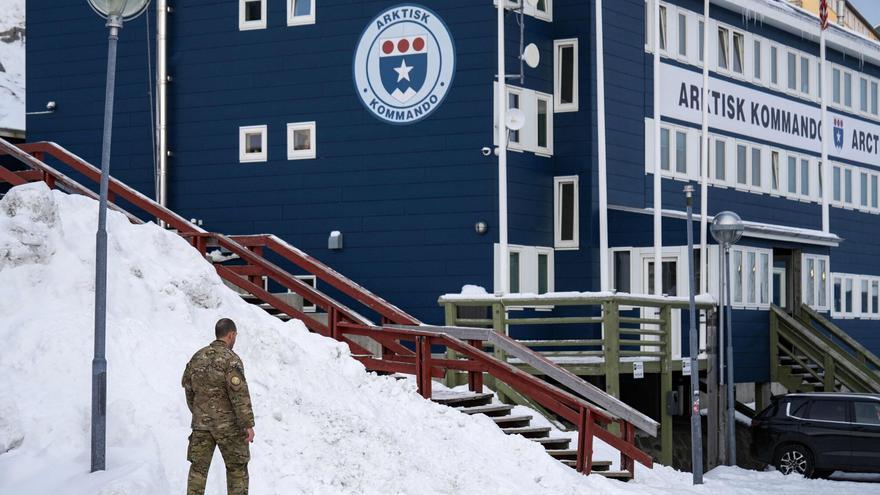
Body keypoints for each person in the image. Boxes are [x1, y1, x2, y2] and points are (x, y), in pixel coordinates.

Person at [182, 318, 255, 494]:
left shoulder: (197, 357)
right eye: (235, 336)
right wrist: (247, 425)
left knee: (198, 471)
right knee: (237, 470)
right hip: (229, 427)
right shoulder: (231, 360)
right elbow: (239, 394)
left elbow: (188, 389)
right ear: (231, 335)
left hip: (201, 426)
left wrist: (200, 412)